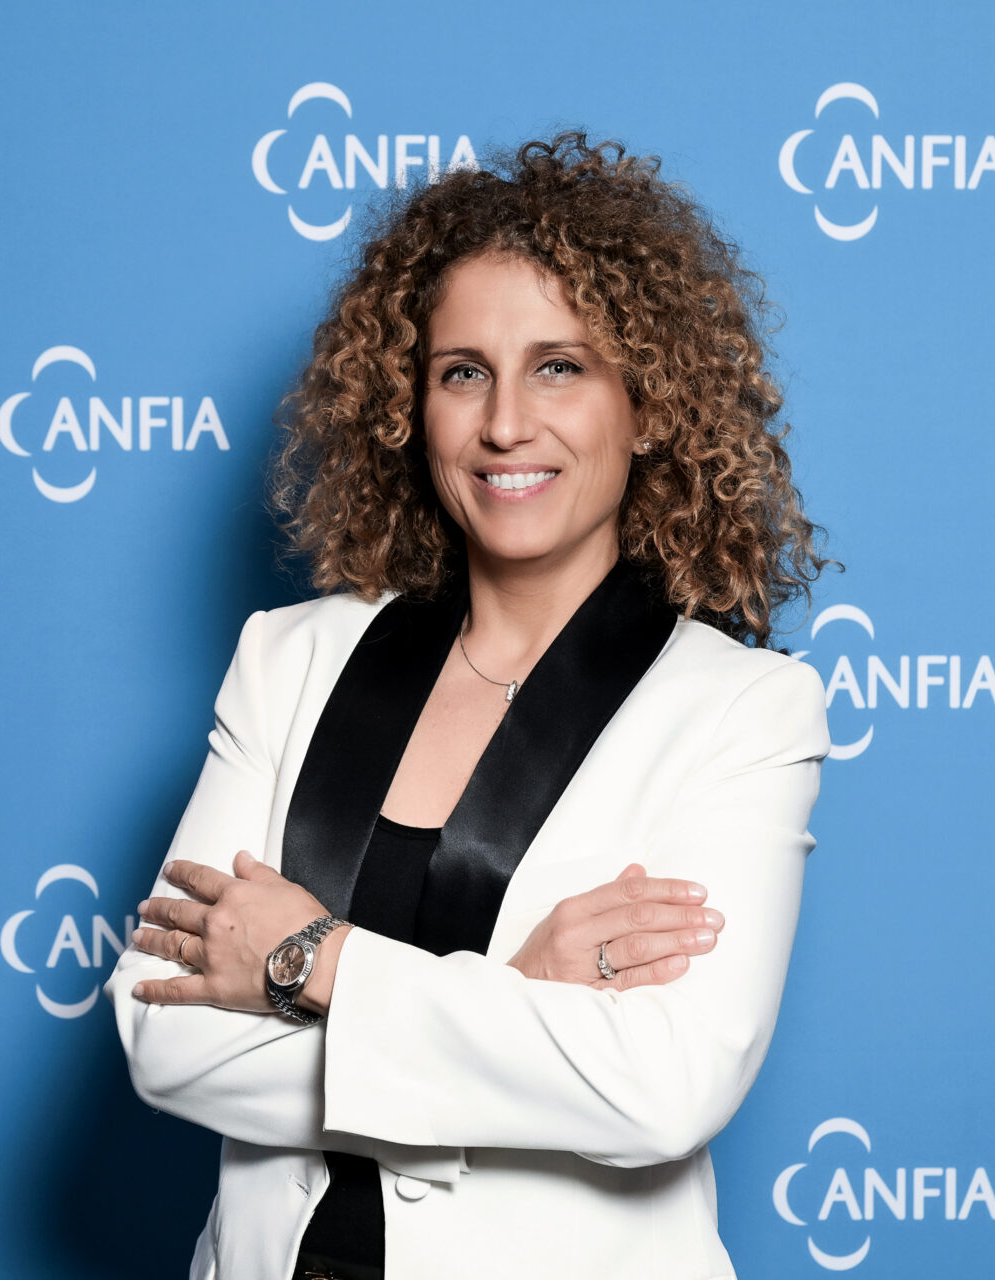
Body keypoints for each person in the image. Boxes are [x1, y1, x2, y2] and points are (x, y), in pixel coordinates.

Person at [104, 131, 836, 1280]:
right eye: (462, 372)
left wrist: (312, 961)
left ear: (648, 406)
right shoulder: (289, 659)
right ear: (413, 406)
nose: (504, 424)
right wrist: (518, 1000)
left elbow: (662, 1085)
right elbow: (165, 1030)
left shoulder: (742, 709)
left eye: (560, 367)